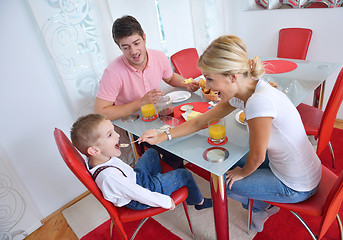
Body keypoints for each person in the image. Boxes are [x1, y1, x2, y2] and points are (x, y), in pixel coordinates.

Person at [139, 35, 321, 231]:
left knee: (223, 186)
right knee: (231, 163)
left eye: (209, 78)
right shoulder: (250, 88)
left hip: (298, 185)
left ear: (233, 77)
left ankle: (263, 208)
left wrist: (242, 173)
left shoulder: (259, 102)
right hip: (301, 167)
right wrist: (163, 135)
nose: (206, 86)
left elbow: (258, 157)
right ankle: (262, 203)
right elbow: (201, 121)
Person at [94, 15, 198, 168]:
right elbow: (101, 113)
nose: (134, 51)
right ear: (119, 47)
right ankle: (174, 179)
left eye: (136, 43)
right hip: (134, 126)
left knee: (189, 132)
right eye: (126, 47)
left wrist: (186, 83)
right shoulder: (113, 72)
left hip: (158, 118)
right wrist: (141, 103)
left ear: (144, 37)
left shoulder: (159, 56)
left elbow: (169, 77)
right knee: (173, 146)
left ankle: (175, 175)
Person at [70, 113, 212, 211]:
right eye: (110, 135)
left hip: (135, 178)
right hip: (140, 194)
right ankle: (199, 202)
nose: (118, 135)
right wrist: (165, 201)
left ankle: (161, 181)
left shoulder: (97, 158)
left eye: (113, 131)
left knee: (151, 152)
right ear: (94, 150)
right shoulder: (110, 177)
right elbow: (139, 194)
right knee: (183, 174)